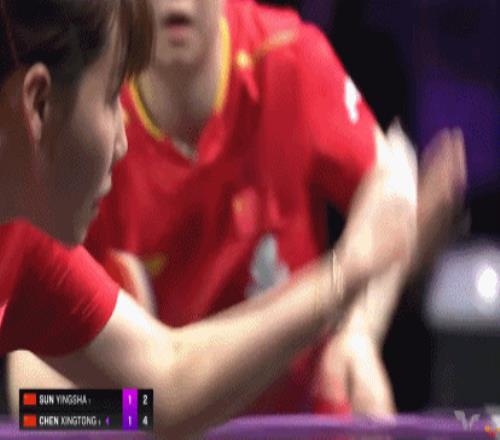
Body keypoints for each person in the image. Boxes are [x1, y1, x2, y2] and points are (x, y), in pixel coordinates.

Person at [0, 1, 419, 437]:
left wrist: (359, 331)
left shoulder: (288, 55)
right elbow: (37, 406)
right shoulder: (62, 176)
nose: (121, 142)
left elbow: (166, 387)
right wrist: (132, 420)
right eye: (110, 98)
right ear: (38, 103)